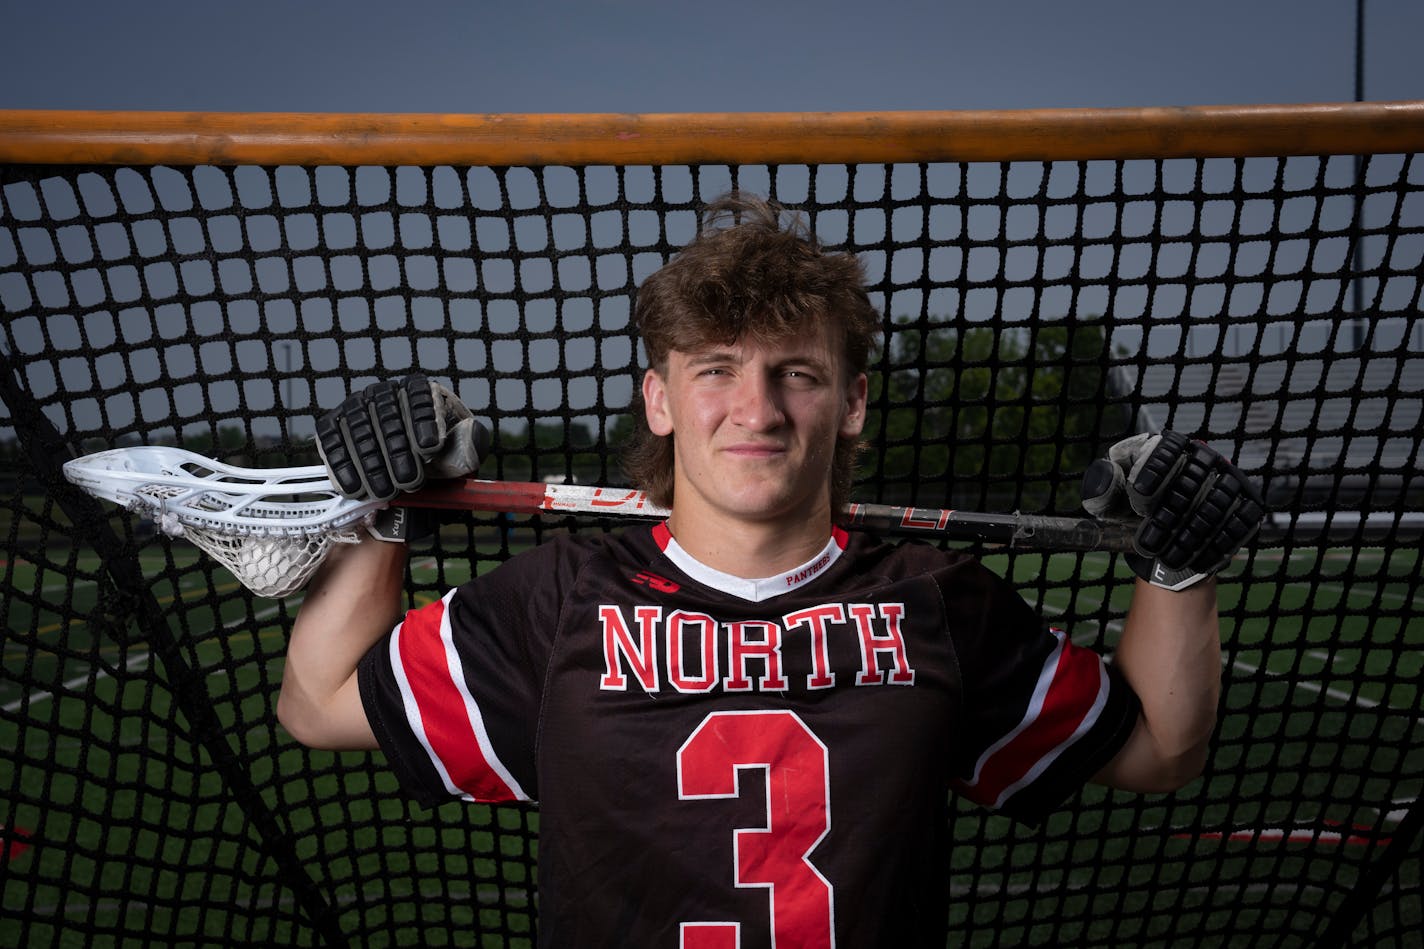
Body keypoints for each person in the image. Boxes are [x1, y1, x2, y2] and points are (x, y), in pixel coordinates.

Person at [277, 193, 1264, 947]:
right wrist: (379, 507)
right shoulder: (560, 598)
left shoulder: (935, 601)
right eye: (714, 369)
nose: (755, 408)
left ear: (851, 401)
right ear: (658, 400)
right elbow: (318, 702)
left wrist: (1177, 567)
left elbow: (1156, 751)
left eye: (795, 371)